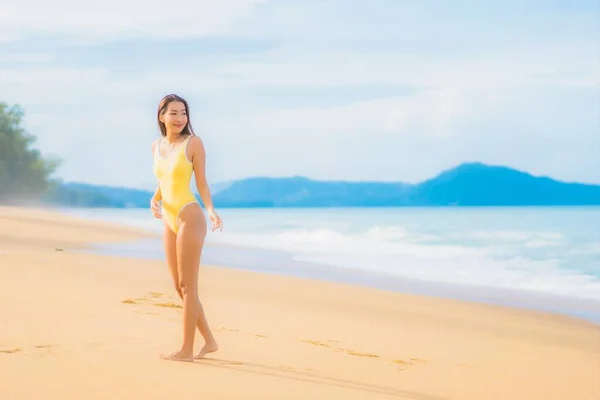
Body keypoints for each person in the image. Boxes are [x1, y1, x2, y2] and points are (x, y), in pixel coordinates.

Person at [149, 93, 223, 362]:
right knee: (179, 287)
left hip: (189, 215)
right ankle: (210, 341)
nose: (180, 118)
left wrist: (211, 209)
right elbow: (165, 178)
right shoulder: (156, 146)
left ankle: (186, 350)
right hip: (168, 217)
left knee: (189, 285)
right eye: (174, 113)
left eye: (183, 113)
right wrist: (155, 198)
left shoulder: (194, 143)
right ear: (162, 116)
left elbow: (201, 182)